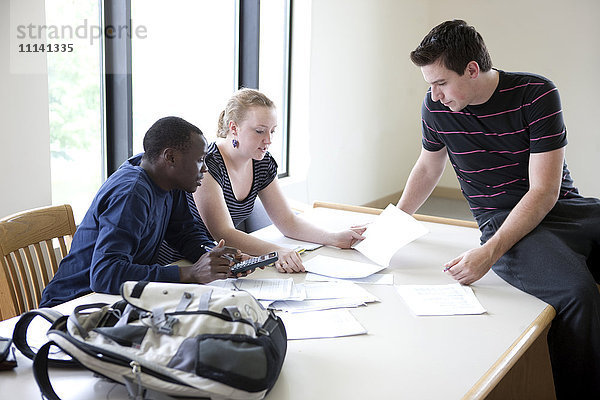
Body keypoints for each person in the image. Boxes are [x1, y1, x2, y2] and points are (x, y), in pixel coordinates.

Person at [397, 20, 600, 399]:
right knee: (577, 293)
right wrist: (393, 222)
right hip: (501, 219)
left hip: (562, 206)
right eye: (430, 85)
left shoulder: (535, 93)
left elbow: (544, 192)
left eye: (441, 83)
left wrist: (486, 256)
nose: (435, 95)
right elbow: (429, 165)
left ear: (472, 69)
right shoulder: (436, 108)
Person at [40, 116, 246, 308]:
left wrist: (214, 258)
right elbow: (105, 274)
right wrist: (190, 273)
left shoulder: (166, 178)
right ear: (171, 158)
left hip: (116, 300)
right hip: (74, 304)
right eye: (200, 160)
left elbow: (185, 234)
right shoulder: (131, 193)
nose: (205, 169)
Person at [157, 89, 365, 273]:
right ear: (234, 128)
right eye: (260, 131)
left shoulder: (261, 162)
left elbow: (288, 221)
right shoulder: (209, 164)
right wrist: (277, 252)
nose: (268, 140)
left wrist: (333, 238)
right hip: (182, 262)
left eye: (272, 131)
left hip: (222, 261)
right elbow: (223, 233)